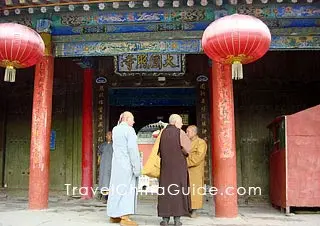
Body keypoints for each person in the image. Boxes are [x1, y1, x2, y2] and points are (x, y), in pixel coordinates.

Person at [107, 111, 141, 226]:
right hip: (127, 164)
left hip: (117, 164)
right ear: (126, 119)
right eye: (132, 119)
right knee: (127, 190)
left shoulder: (115, 129)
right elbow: (132, 150)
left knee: (116, 188)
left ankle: (114, 214)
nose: (134, 122)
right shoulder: (129, 130)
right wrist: (137, 167)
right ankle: (125, 217)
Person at [157, 114, 192, 226]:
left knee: (165, 191)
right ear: (176, 122)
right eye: (181, 122)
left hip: (166, 168)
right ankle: (177, 220)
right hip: (178, 168)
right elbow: (187, 150)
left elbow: (158, 151)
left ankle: (165, 220)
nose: (182, 125)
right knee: (178, 191)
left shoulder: (162, 133)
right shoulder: (180, 133)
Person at [186, 125, 208, 218]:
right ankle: (187, 209)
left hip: (195, 171)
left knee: (195, 191)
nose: (186, 134)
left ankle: (194, 210)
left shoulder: (201, 143)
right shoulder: (186, 142)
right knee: (186, 190)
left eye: (188, 132)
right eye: (186, 132)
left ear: (195, 133)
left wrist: (184, 161)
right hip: (185, 170)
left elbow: (198, 157)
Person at [98, 131, 113, 204]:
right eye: (108, 135)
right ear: (106, 136)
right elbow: (99, 154)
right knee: (103, 180)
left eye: (111, 134)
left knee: (110, 180)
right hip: (103, 165)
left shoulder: (114, 145)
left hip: (111, 165)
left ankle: (109, 197)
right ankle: (103, 195)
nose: (110, 136)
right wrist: (99, 162)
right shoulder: (102, 145)